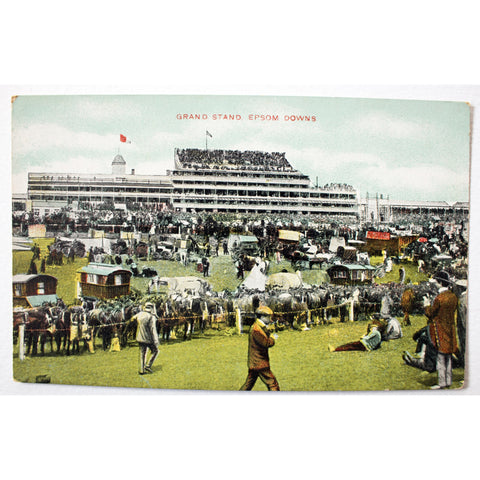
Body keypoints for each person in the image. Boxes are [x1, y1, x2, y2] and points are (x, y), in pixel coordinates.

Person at [425, 271, 458, 389]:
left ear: (439, 282)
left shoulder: (439, 298)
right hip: (450, 329)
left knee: (441, 358)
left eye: (436, 282)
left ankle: (442, 382)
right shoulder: (453, 296)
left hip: (440, 330)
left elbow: (431, 314)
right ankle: (448, 380)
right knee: (448, 357)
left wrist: (426, 305)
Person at [240, 306, 280, 391]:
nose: (270, 319)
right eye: (269, 317)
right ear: (262, 317)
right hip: (260, 363)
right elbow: (266, 343)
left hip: (255, 363)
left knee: (248, 385)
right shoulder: (256, 329)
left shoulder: (258, 326)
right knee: (272, 383)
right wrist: (272, 338)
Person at [132, 302, 160, 375]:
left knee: (142, 353)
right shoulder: (151, 317)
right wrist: (156, 340)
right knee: (155, 351)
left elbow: (132, 318)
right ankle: (147, 365)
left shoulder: (140, 314)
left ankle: (141, 370)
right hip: (148, 338)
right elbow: (153, 330)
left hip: (140, 337)